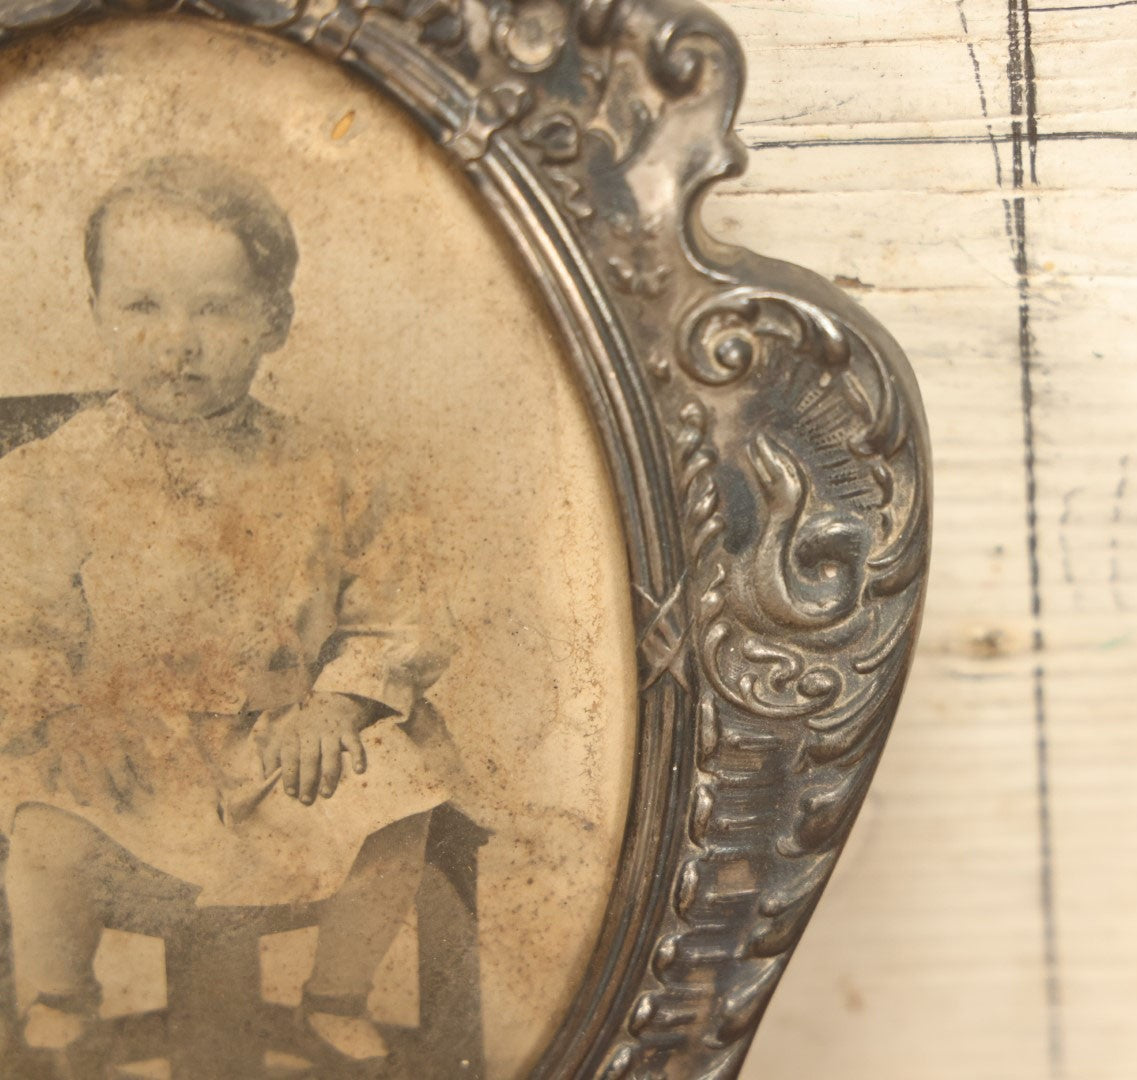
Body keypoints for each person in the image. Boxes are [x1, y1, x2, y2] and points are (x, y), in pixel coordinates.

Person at [0, 156, 453, 1066]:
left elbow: (399, 609)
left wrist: (337, 705)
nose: (178, 343)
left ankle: (334, 989)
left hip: (286, 744)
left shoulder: (332, 471)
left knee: (404, 800)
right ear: (96, 312)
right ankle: (60, 988)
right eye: (142, 307)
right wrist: (74, 716)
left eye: (214, 310)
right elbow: (23, 624)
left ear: (272, 322)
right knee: (44, 828)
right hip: (123, 746)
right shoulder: (51, 476)